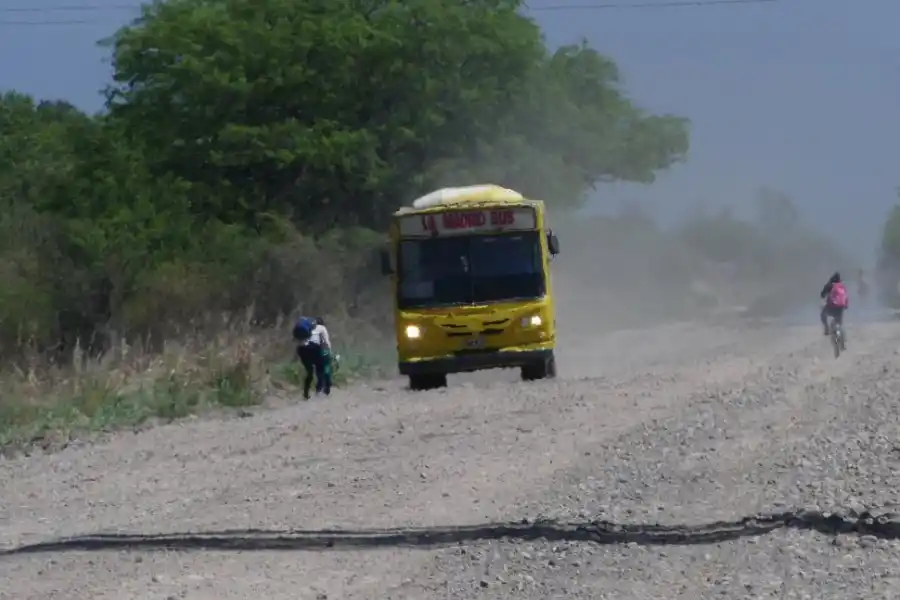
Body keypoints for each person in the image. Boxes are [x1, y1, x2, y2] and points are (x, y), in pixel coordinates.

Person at [293, 315, 333, 399]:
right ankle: (325, 387)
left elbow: (298, 343)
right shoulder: (322, 328)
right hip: (320, 349)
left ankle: (306, 393)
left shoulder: (305, 330)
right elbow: (326, 342)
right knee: (325, 366)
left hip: (303, 350)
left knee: (309, 372)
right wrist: (329, 353)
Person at [819, 271, 849, 336]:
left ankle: (827, 328)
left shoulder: (830, 285)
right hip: (841, 307)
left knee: (823, 315)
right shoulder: (842, 286)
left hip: (831, 307)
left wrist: (824, 297)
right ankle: (841, 338)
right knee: (839, 322)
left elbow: (822, 295)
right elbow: (846, 297)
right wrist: (846, 305)